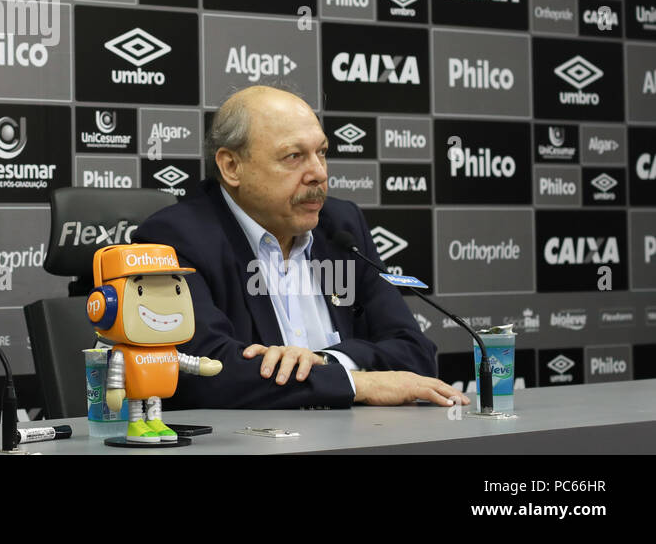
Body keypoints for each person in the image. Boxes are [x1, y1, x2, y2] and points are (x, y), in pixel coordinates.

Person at [133, 85, 468, 410]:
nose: (318, 173)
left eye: (321, 152)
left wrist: (324, 361)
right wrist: (357, 383)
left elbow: (415, 353)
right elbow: (205, 370)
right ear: (232, 167)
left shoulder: (340, 226)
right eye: (294, 156)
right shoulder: (176, 238)